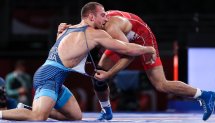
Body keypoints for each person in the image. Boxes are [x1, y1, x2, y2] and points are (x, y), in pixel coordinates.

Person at [0, 2, 156, 121]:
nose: (106, 18)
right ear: (91, 17)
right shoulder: (94, 34)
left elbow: (60, 50)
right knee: (38, 117)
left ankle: (28, 108)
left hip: (55, 78)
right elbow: (126, 49)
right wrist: (149, 49)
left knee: (75, 117)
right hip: (49, 77)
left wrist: (58, 32)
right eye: (102, 14)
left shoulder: (68, 29)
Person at [58, 10, 215, 121]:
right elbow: (79, 28)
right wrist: (65, 27)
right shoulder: (90, 23)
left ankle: (204, 94)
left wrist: (110, 74)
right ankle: (106, 111)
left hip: (142, 40)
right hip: (124, 39)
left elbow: (129, 53)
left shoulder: (111, 28)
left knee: (161, 85)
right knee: (99, 76)